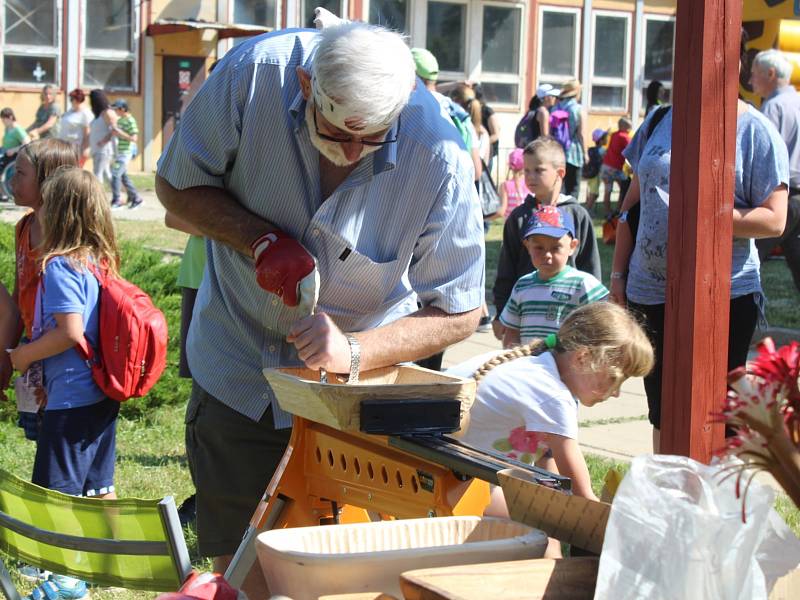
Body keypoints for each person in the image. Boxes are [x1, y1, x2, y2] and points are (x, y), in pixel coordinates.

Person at [155, 23, 484, 597]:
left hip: (352, 406)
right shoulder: (251, 76)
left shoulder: (439, 154)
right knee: (241, 564)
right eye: (336, 132)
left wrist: (355, 349)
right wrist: (256, 238)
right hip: (238, 370)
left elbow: (459, 310)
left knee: (340, 574)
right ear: (306, 85)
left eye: (373, 139)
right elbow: (175, 187)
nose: (353, 152)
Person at [610, 101, 788, 452]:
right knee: (662, 406)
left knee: (718, 409)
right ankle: (667, 490)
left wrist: (708, 214)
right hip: (647, 289)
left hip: (724, 293)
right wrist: (618, 276)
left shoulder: (755, 130)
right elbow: (632, 205)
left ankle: (717, 496)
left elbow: (774, 219)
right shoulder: (661, 118)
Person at [8, 167, 121, 600]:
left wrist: (20, 356)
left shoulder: (59, 267)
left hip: (70, 402)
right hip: (98, 396)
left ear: (57, 213)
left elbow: (69, 333)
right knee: (99, 487)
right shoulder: (96, 262)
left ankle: (68, 580)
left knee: (58, 495)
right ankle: (108, 562)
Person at [449, 301, 653, 507]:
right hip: (453, 486)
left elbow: (549, 467)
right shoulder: (554, 397)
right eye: (613, 378)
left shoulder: (530, 364)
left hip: (437, 470)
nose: (617, 392)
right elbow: (583, 498)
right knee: (541, 532)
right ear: (583, 358)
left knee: (545, 510)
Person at [0, 140, 79, 432]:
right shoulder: (23, 228)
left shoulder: (71, 238)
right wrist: (5, 359)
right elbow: (19, 299)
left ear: (48, 180)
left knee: (58, 451)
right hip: (32, 356)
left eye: (21, 173)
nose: (12, 179)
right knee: (39, 440)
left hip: (66, 360)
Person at [492, 137, 601, 341]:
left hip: (568, 318)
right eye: (527, 170)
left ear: (560, 173)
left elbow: (590, 266)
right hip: (527, 319)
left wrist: (593, 318)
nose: (530, 176)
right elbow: (506, 269)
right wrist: (500, 313)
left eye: (539, 170)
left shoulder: (578, 215)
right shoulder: (519, 218)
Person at [499, 206, 608, 348]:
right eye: (539, 248)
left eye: (556, 248)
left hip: (567, 368)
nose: (547, 255)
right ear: (527, 246)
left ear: (572, 246)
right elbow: (512, 332)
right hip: (529, 366)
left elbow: (607, 325)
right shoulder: (522, 286)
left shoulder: (583, 285)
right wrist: (512, 359)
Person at [749, 48, 800, 293]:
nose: (749, 81)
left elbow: (760, 158)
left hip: (782, 199)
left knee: (746, 259)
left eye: (754, 74)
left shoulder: (772, 109)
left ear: (770, 73)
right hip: (795, 198)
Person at [553, 80, 588, 199]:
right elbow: (581, 133)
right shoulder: (578, 109)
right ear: (577, 92)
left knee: (559, 186)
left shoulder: (556, 108)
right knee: (573, 187)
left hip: (557, 151)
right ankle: (572, 214)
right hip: (574, 152)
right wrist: (585, 153)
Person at [109, 99, 141, 209]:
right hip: (119, 152)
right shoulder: (120, 120)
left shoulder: (130, 120)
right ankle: (136, 198)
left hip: (125, 153)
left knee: (115, 174)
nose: (115, 112)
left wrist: (120, 133)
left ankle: (117, 200)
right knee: (123, 177)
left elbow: (134, 138)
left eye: (116, 109)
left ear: (122, 109)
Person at [600, 117, 632, 216]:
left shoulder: (614, 135)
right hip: (615, 168)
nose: (629, 130)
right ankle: (619, 209)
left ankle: (607, 211)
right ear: (623, 127)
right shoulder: (625, 137)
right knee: (626, 186)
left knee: (608, 190)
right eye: (628, 127)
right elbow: (632, 150)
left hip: (606, 166)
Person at [514, 84, 560, 148]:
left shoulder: (533, 110)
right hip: (537, 151)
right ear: (546, 98)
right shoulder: (543, 112)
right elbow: (545, 137)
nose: (555, 98)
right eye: (553, 96)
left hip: (530, 149)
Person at [88, 89, 117, 186]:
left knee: (98, 174)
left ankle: (98, 198)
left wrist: (104, 140)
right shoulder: (98, 114)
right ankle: (124, 194)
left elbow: (114, 130)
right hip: (97, 150)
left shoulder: (107, 113)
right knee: (106, 174)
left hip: (104, 150)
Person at [0, 107, 30, 200]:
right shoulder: (8, 128)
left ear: (10, 117)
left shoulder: (17, 129)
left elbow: (27, 142)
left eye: (3, 119)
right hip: (5, 152)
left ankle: (4, 194)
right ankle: (2, 193)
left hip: (13, 155)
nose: (2, 122)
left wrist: (13, 150)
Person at [58, 89, 93, 167]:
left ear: (78, 100)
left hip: (76, 148)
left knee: (73, 171)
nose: (70, 101)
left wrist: (85, 150)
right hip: (64, 147)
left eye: (71, 99)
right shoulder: (70, 111)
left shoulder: (86, 114)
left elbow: (87, 134)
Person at [474, 83, 501, 174]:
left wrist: (481, 144)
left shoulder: (487, 111)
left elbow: (496, 135)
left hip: (485, 152)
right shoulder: (470, 110)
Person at [499, 148, 530, 219]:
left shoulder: (505, 186)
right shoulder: (530, 183)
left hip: (510, 226)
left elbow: (502, 211)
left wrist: (485, 217)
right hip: (527, 225)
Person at [583, 128, 607, 214]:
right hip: (596, 175)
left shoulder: (591, 150)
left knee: (594, 193)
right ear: (600, 140)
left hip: (591, 174)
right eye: (605, 138)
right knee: (594, 193)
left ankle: (590, 209)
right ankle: (587, 211)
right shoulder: (603, 150)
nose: (606, 139)